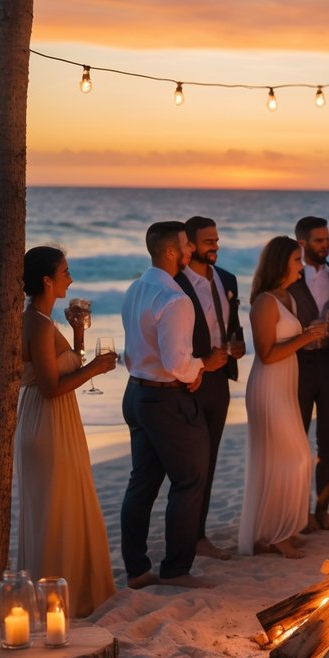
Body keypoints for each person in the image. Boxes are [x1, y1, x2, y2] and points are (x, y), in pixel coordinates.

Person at [120, 222, 228, 589]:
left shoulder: (135, 288)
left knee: (142, 483)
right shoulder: (175, 299)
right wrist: (203, 366)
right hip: (166, 400)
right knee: (190, 479)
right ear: (170, 251)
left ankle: (136, 571)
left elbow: (132, 349)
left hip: (136, 394)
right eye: (185, 246)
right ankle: (177, 569)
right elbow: (177, 363)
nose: (189, 252)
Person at [15, 246, 117, 617]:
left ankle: (67, 591)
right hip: (46, 421)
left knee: (65, 504)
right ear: (47, 279)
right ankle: (52, 598)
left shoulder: (43, 319)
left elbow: (60, 369)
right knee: (54, 509)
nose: (70, 278)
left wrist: (76, 333)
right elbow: (50, 387)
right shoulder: (37, 324)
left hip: (54, 418)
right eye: (65, 271)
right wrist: (97, 369)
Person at [238, 236, 329, 558]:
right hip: (268, 386)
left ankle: (277, 530)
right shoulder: (264, 302)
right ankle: (277, 534)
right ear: (281, 264)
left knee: (284, 458)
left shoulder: (287, 298)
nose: (301, 266)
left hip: (286, 386)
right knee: (294, 457)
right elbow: (265, 354)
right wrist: (306, 337)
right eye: (296, 260)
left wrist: (311, 334)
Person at [175, 215, 245, 559]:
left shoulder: (227, 279)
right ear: (190, 244)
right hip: (190, 381)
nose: (214, 246)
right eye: (207, 241)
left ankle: (199, 536)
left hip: (221, 381)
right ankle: (185, 538)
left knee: (211, 459)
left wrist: (239, 345)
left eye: (216, 240)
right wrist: (200, 363)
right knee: (191, 464)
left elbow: (232, 325)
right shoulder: (176, 283)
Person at [289, 215, 329, 531]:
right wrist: (302, 332)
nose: (326, 245)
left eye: (327, 239)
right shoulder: (289, 277)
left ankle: (322, 510)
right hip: (299, 367)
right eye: (319, 241)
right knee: (297, 441)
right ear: (302, 243)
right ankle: (297, 513)